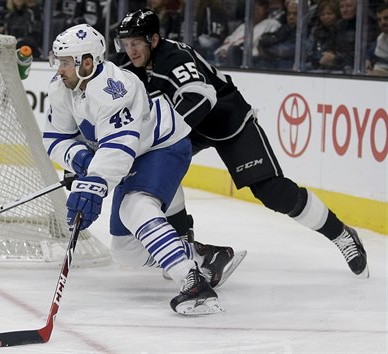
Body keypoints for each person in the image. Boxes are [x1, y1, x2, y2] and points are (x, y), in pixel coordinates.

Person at [112, 9, 369, 278]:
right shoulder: (126, 66)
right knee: (162, 168)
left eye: (136, 43)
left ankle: (340, 233)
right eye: (126, 44)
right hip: (187, 129)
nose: (131, 51)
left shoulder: (175, 59)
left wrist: (158, 134)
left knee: (272, 192)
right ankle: (185, 242)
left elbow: (200, 97)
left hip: (227, 120)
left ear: (153, 40)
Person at [45, 23, 225, 315]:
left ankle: (193, 281)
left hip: (162, 146)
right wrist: (83, 161)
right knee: (126, 252)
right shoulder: (63, 87)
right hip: (130, 154)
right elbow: (55, 138)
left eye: (66, 62)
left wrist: (93, 184)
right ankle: (204, 255)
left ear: (87, 63)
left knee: (135, 206)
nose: (59, 69)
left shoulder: (114, 88)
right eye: (59, 61)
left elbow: (119, 147)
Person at [213, 0, 281, 67]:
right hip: (228, 57)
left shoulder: (272, 23)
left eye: (260, 5)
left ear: (267, 8)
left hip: (253, 61)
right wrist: (223, 49)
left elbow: (264, 47)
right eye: (253, 6)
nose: (255, 8)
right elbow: (229, 40)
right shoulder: (244, 25)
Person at [256, 0, 299, 70]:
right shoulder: (284, 28)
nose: (291, 17)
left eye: (295, 14)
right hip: (274, 61)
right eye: (289, 14)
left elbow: (285, 50)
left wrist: (267, 51)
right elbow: (265, 39)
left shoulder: (307, 31)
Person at [306, 0, 340, 71]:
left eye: (329, 13)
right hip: (315, 65)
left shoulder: (341, 30)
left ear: (337, 14)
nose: (326, 17)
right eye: (322, 14)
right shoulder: (315, 31)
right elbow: (309, 51)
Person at [366, 3, 388, 76]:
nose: (382, 22)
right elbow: (380, 66)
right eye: (379, 20)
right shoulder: (381, 38)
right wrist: (367, 60)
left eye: (386, 18)